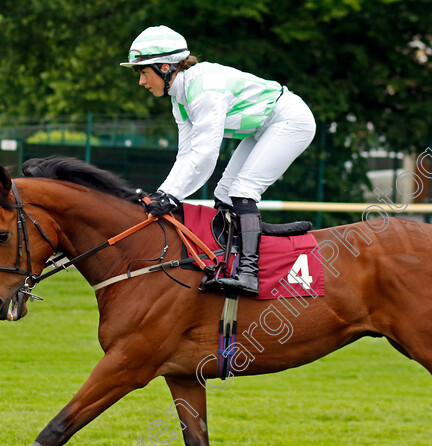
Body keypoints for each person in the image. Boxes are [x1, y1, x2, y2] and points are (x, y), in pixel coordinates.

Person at [121, 25, 316, 296]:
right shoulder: (180, 99)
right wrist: (164, 194)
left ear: (165, 68)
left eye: (143, 72)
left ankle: (249, 274)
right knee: (224, 194)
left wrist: (171, 197)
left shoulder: (203, 89)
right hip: (265, 126)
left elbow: (205, 154)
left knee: (242, 191)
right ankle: (229, 266)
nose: (141, 82)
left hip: (290, 120)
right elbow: (186, 153)